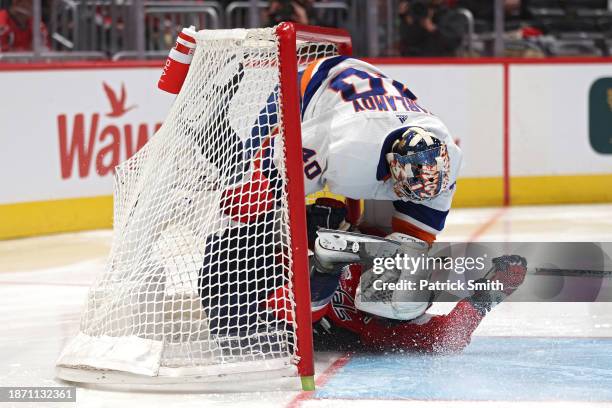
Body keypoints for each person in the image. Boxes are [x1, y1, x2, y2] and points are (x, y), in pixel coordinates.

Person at [398, 0, 465, 57]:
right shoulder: (416, 13)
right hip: (414, 62)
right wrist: (405, 19)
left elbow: (453, 43)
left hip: (442, 64)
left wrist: (433, 28)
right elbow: (407, 40)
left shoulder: (453, 16)